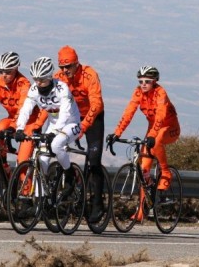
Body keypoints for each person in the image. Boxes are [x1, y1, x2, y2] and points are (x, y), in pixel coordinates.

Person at [108, 66, 180, 221]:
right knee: (143, 169)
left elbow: (160, 116)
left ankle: (166, 172)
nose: (143, 84)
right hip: (153, 129)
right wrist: (117, 133)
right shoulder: (138, 92)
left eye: (147, 81)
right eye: (141, 81)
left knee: (158, 138)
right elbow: (129, 113)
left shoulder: (161, 93)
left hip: (169, 128)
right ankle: (142, 210)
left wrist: (152, 135)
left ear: (154, 81)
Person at [15, 56, 81, 218]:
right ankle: (41, 200)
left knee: (57, 144)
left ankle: (70, 174)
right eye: (36, 80)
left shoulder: (62, 88)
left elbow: (65, 113)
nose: (39, 84)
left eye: (42, 80)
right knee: (41, 160)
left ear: (50, 77)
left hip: (70, 123)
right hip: (53, 123)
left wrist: (55, 132)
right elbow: (26, 109)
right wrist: (19, 128)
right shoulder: (33, 89)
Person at [54, 45, 105, 223]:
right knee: (57, 147)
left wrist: (84, 126)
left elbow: (96, 104)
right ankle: (70, 179)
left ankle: (98, 203)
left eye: (69, 66)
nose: (65, 71)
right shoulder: (58, 78)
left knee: (94, 159)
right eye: (62, 67)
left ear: (77, 63)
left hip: (93, 116)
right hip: (72, 117)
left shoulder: (89, 75)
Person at [0, 52, 46, 177]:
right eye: (1, 71)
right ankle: (5, 167)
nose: (4, 75)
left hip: (30, 122)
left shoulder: (24, 84)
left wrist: (13, 127)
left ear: (16, 69)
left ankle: (24, 193)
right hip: (12, 119)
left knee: (22, 161)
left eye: (8, 72)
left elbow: (23, 109)